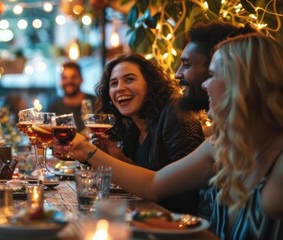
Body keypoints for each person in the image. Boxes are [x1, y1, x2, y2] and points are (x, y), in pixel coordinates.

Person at [54, 33, 283, 239]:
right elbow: (154, 184)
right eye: (113, 83)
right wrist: (85, 150)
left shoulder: (277, 162)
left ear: (243, 82)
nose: (204, 84)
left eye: (212, 74)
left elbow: (168, 194)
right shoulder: (221, 142)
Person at [91, 53, 205, 214]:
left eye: (129, 79)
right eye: (113, 83)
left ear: (150, 84)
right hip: (144, 216)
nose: (120, 88)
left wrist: (89, 153)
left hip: (178, 226)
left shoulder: (176, 113)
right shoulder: (132, 126)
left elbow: (184, 193)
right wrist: (120, 160)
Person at [175, 20, 257, 218]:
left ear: (234, 73)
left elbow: (154, 185)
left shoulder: (269, 148)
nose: (177, 74)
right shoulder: (220, 137)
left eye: (186, 65)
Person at [47, 61, 96, 133]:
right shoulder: (53, 107)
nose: (69, 81)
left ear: (81, 79)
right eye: (64, 78)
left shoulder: (96, 102)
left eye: (73, 77)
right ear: (60, 81)